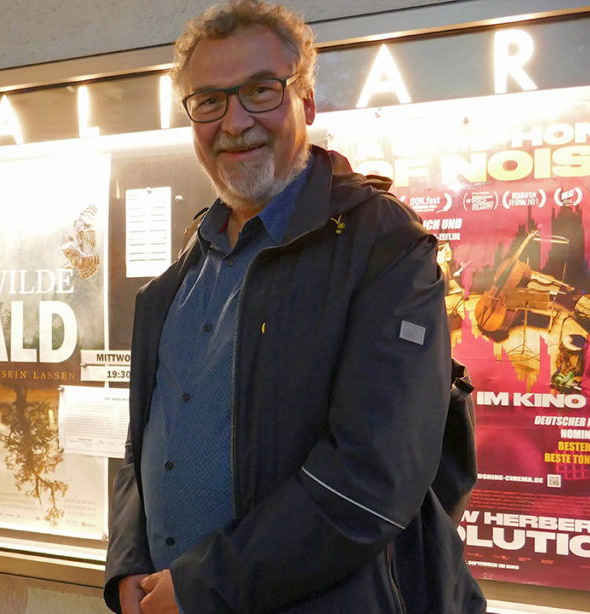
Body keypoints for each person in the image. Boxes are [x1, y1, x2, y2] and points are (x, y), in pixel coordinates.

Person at [104, 1, 486, 612]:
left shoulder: (385, 249)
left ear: (306, 102)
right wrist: (126, 566)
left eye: (260, 91)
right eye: (208, 100)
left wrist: (201, 588)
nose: (233, 122)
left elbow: (371, 480)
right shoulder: (179, 276)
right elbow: (138, 449)